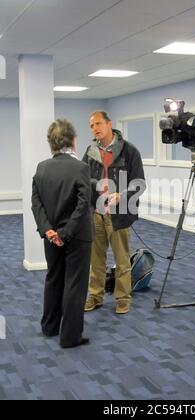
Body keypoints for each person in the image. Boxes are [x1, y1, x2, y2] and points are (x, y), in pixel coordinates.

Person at [32, 119, 93, 348]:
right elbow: (83, 204)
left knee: (53, 278)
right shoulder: (81, 168)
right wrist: (65, 233)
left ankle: (49, 327)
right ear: (72, 140)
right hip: (76, 236)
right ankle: (70, 337)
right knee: (75, 284)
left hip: (51, 235)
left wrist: (48, 230)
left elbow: (35, 202)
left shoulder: (42, 167)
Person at [83, 111, 145, 315]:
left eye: (98, 124)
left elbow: (139, 184)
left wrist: (122, 195)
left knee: (122, 260)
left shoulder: (129, 151)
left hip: (120, 214)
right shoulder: (90, 151)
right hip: (96, 214)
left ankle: (123, 298)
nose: (95, 128)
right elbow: (82, 180)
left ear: (109, 124)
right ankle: (95, 296)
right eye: (92, 126)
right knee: (96, 260)